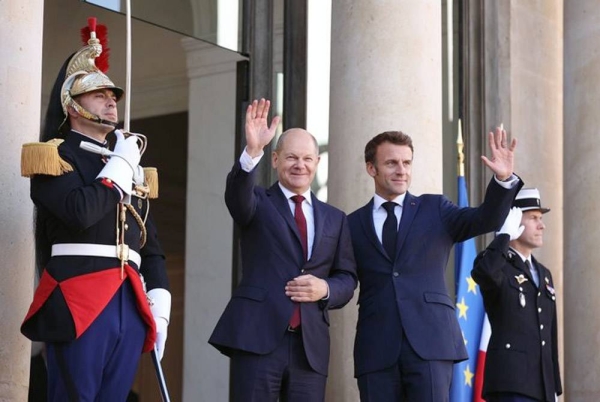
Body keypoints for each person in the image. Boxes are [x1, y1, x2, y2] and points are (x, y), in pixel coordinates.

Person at [20, 19, 171, 401]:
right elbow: (80, 212)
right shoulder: (55, 157)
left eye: (114, 96)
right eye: (99, 94)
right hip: (79, 300)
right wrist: (119, 164)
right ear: (72, 104)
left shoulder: (132, 167)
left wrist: (160, 306)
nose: (111, 101)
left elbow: (148, 246)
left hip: (129, 303)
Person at [348, 129, 524, 401]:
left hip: (431, 344)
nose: (401, 170)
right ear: (371, 168)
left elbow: (485, 219)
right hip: (376, 349)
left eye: (407, 163)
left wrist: (502, 180)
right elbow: (344, 276)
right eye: (391, 163)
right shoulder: (351, 224)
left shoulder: (435, 209)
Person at [209, 98, 358, 401]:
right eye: (291, 157)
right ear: (275, 160)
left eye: (307, 158)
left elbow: (347, 277)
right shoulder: (258, 201)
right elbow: (237, 198)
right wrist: (252, 152)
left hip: (310, 347)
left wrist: (325, 288)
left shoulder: (335, 218)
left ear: (317, 163)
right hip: (258, 338)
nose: (299, 165)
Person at [471, 188, 562, 402]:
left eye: (541, 218)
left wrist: (555, 388)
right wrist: (504, 236)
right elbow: (484, 273)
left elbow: (550, 333)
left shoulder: (544, 273)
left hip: (542, 387)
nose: (542, 225)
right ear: (512, 220)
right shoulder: (497, 263)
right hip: (511, 384)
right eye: (533, 218)